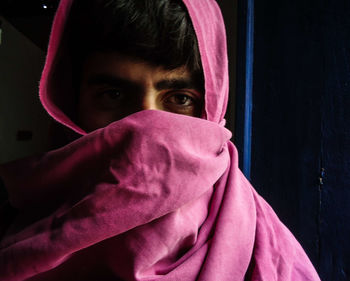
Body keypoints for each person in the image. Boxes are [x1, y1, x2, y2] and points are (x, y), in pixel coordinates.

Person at [0, 0, 320, 280]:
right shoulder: (17, 225)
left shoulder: (265, 249)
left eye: (179, 98)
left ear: (212, 106)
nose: (147, 124)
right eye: (113, 95)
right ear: (72, 105)